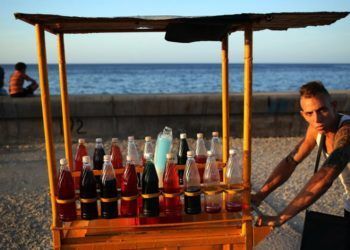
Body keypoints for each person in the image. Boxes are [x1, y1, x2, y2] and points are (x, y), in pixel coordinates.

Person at [252, 81, 350, 227]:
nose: (317, 119)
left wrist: (281, 218)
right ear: (303, 115)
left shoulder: (346, 131)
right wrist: (260, 195)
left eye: (322, 110)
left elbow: (325, 177)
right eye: (310, 113)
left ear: (334, 106)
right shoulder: (316, 128)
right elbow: (291, 161)